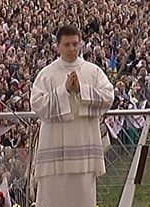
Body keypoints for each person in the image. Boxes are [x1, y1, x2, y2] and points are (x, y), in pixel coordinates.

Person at [30, 25, 114, 207]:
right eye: (67, 44)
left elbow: (108, 97)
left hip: (83, 151)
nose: (72, 49)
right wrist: (65, 91)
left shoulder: (93, 72)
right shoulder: (47, 74)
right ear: (58, 46)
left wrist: (82, 90)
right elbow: (37, 105)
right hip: (55, 152)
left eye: (75, 44)